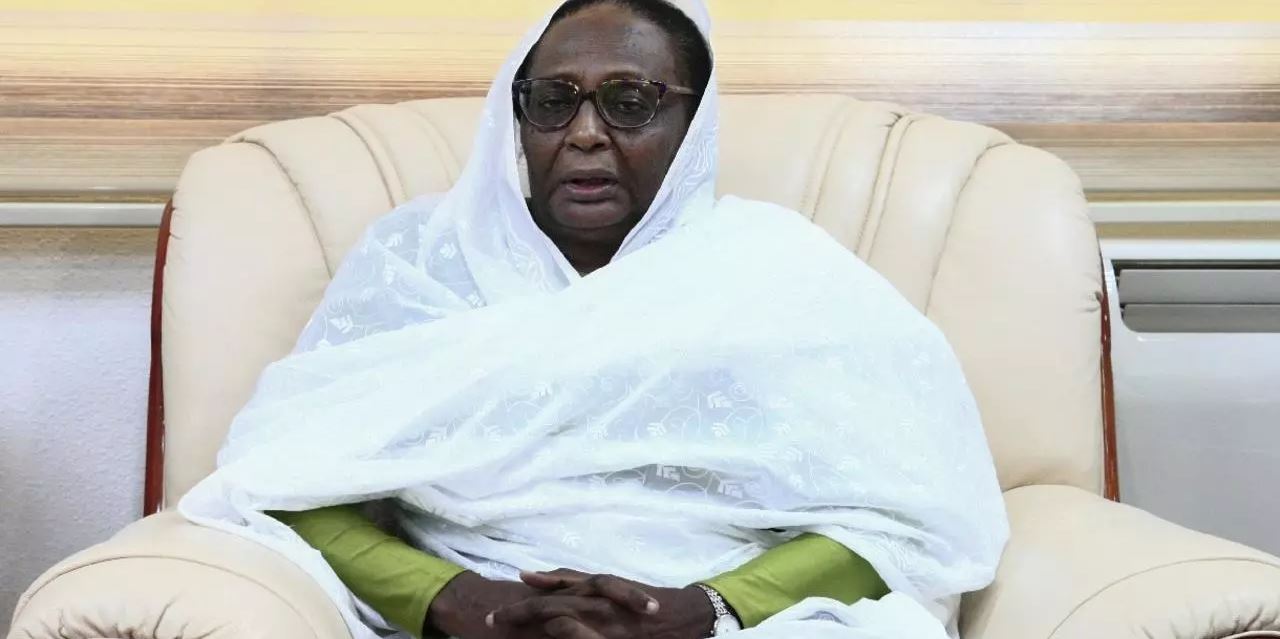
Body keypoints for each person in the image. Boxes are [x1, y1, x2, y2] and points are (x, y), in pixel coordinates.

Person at [180, 1, 1008, 638]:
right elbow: (280, 480)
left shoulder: (783, 270)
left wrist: (708, 607)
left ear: (693, 127)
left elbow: (910, 518)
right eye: (553, 101)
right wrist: (450, 597)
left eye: (629, 102)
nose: (583, 134)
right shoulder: (422, 259)